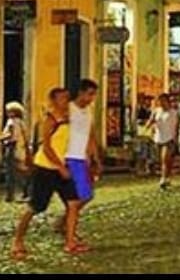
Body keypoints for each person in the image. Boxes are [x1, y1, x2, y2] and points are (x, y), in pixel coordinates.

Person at [10, 88, 78, 260]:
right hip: (46, 168)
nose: (66, 101)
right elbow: (46, 147)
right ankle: (17, 241)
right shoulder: (50, 119)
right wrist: (60, 167)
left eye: (67, 98)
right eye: (62, 98)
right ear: (54, 100)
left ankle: (70, 241)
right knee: (36, 206)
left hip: (63, 167)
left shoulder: (70, 119)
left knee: (73, 203)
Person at [65, 79, 101, 251]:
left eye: (93, 94)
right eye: (90, 94)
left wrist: (95, 157)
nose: (91, 98)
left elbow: (91, 134)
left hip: (82, 158)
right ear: (80, 92)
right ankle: (70, 238)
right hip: (69, 157)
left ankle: (65, 226)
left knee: (86, 196)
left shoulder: (88, 111)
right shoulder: (68, 109)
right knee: (76, 199)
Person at [0, 102, 29, 203]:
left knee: (10, 172)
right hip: (20, 148)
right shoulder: (21, 122)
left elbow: (9, 134)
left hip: (11, 147)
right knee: (20, 171)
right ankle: (26, 191)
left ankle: (10, 195)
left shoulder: (11, 122)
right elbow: (25, 137)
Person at [151, 93, 179, 189]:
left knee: (164, 158)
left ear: (168, 102)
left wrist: (177, 136)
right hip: (158, 138)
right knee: (164, 160)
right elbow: (151, 121)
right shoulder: (156, 111)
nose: (162, 103)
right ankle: (167, 176)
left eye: (163, 101)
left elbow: (178, 125)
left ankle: (163, 178)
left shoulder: (174, 113)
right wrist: (148, 128)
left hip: (169, 138)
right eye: (160, 101)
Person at [133, 94, 155, 176]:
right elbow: (138, 121)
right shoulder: (140, 110)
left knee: (150, 153)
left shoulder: (150, 111)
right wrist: (147, 122)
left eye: (150, 101)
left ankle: (149, 169)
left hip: (149, 134)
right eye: (147, 101)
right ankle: (140, 170)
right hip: (142, 133)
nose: (149, 102)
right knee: (142, 152)